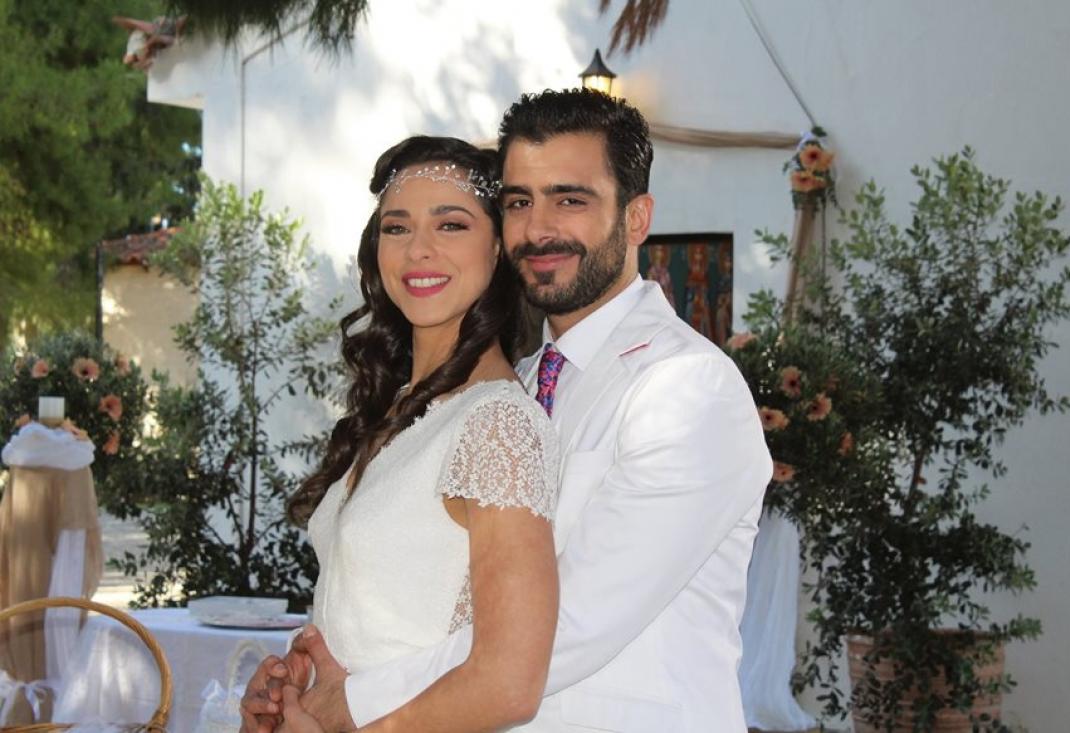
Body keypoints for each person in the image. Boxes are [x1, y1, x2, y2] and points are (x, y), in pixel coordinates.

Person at [246, 89, 772, 732]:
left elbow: (564, 626)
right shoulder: (508, 385)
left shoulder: (687, 388)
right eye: (520, 202)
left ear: (637, 219)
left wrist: (350, 702)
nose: (539, 229)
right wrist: (304, 676)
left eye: (570, 200)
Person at [242, 135, 561, 733]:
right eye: (397, 227)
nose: (419, 250)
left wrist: (344, 725)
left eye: (451, 225)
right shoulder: (397, 409)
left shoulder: (498, 424)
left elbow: (511, 684)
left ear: (498, 247)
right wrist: (294, 689)